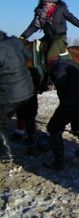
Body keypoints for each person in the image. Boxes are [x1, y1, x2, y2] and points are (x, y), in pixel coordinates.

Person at [20, 0, 79, 67]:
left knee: (50, 57)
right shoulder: (39, 11)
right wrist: (22, 37)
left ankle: (54, 78)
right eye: (45, 0)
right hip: (47, 38)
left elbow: (72, 19)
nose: (47, 2)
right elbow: (34, 26)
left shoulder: (61, 9)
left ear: (53, 0)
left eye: (49, 0)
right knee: (33, 52)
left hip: (59, 38)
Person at [44, 58, 79, 170]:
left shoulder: (56, 69)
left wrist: (62, 116)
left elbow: (62, 90)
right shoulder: (71, 63)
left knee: (54, 127)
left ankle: (58, 163)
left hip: (74, 99)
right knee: (78, 125)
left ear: (49, 65)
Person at [0, 31, 35, 162]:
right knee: (30, 116)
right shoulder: (16, 41)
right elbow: (29, 56)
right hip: (28, 90)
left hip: (9, 94)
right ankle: (33, 143)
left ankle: (5, 153)